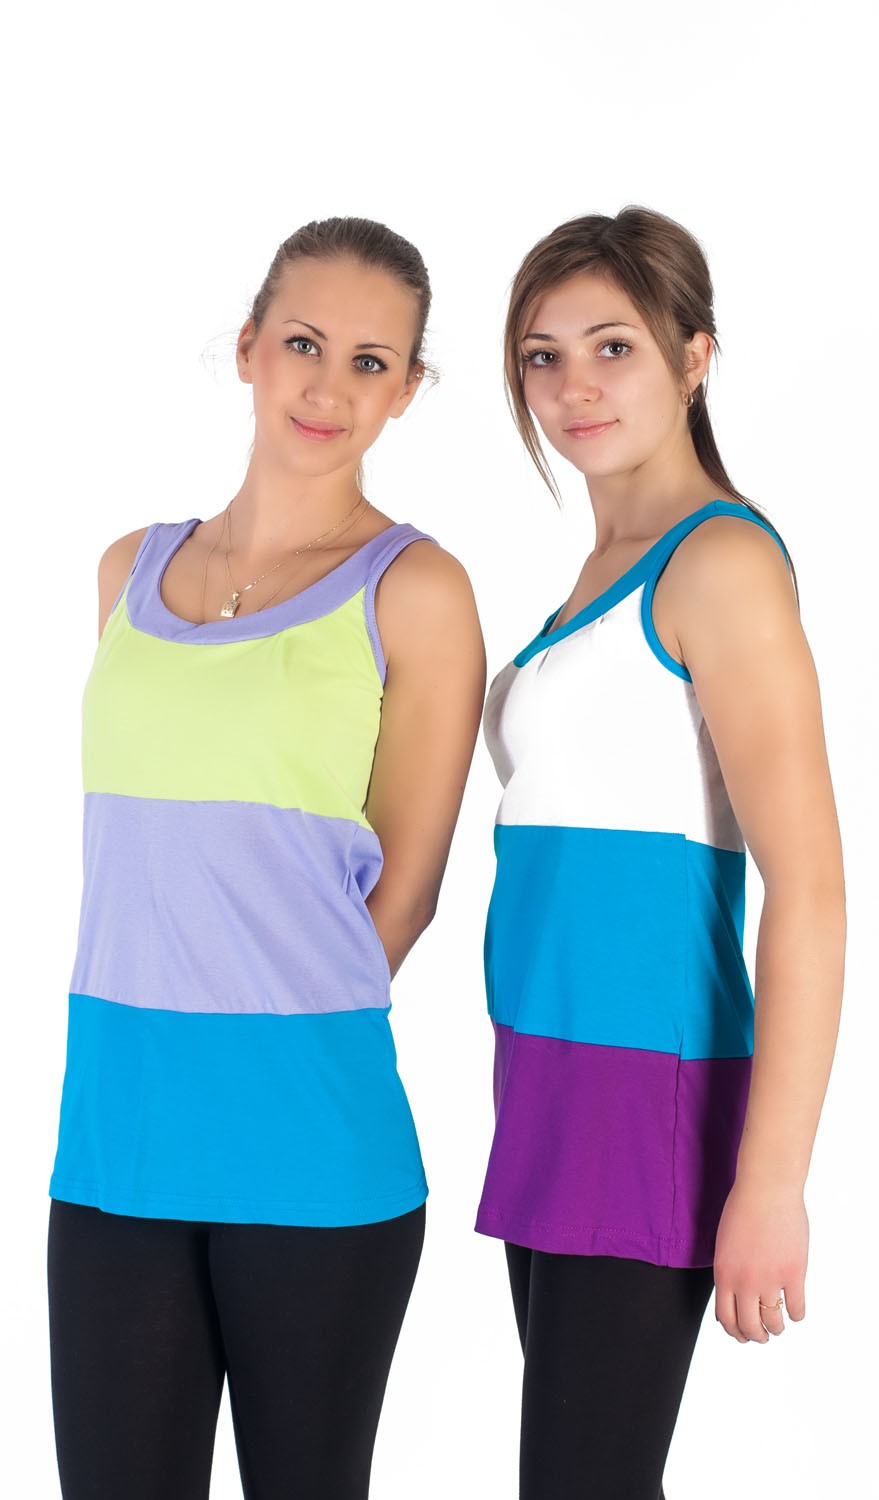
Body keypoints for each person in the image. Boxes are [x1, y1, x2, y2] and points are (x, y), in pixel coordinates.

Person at [47, 216, 486, 1500]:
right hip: (118, 1138)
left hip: (310, 1142)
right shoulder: (127, 570)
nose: (328, 386)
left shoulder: (416, 590)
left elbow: (406, 892)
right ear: (247, 347)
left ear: (406, 391)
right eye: (304, 343)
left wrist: (266, 1016)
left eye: (370, 362)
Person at [475, 207, 845, 1499]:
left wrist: (772, 1183)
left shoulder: (717, 563)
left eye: (612, 347)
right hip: (548, 1080)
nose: (573, 386)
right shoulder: (602, 568)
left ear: (693, 357)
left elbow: (810, 890)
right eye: (542, 356)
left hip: (644, 1098)